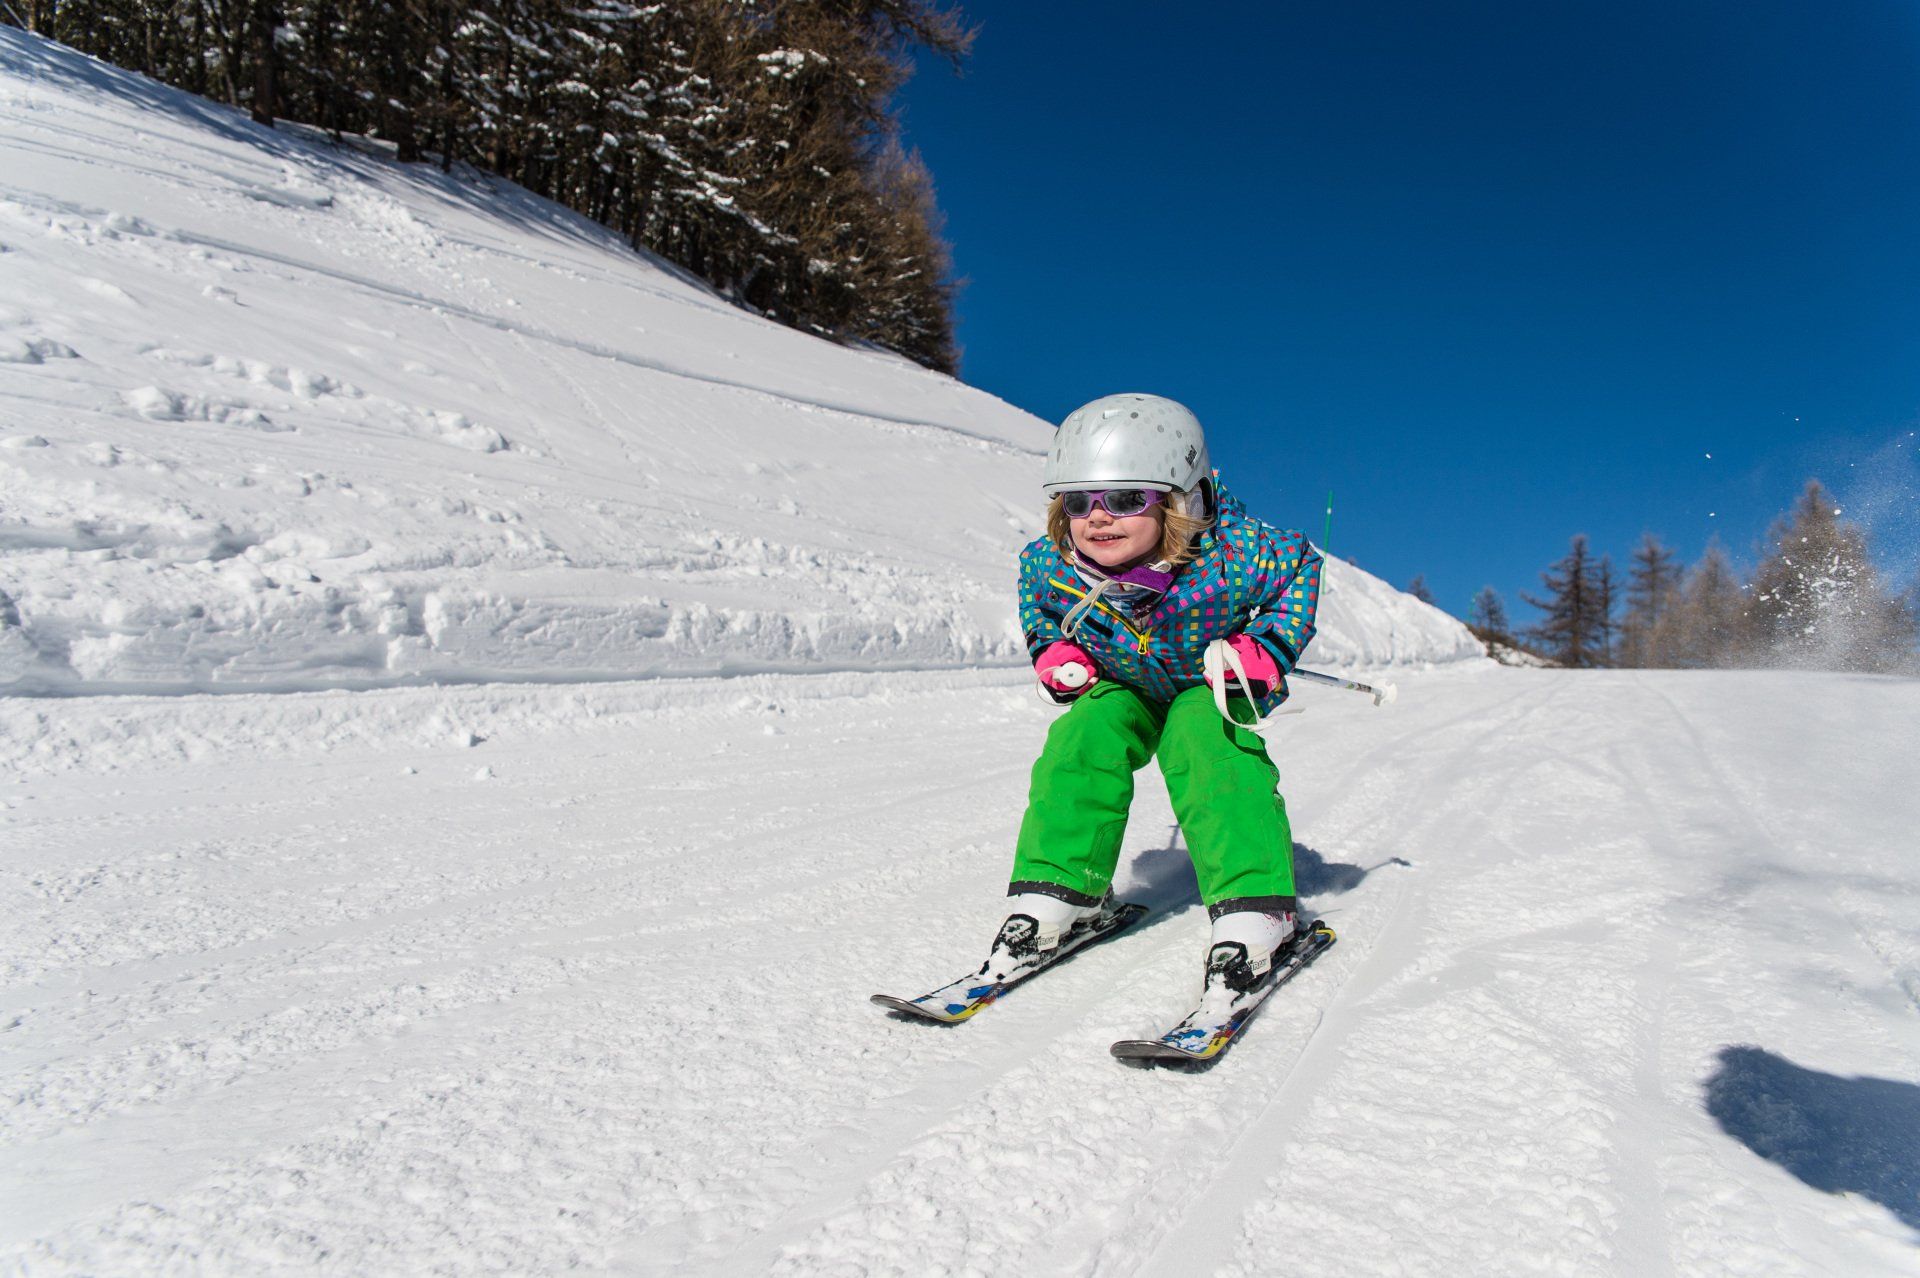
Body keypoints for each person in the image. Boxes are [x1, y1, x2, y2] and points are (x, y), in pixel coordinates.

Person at [986, 392, 1324, 1000]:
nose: (1097, 518)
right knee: (1083, 737)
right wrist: (1053, 651)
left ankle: (1257, 908)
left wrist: (1265, 647)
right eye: (1077, 502)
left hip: (1208, 683)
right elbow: (1038, 608)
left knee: (1206, 744)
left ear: (1180, 499)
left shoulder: (1236, 553)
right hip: (1124, 683)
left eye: (1123, 498)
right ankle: (1061, 892)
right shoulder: (1051, 564)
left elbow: (1301, 567)